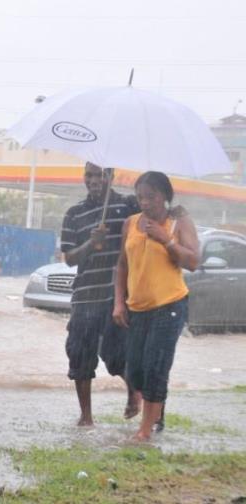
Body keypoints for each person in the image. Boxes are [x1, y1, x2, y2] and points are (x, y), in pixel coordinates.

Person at [113, 171, 200, 442]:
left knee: (156, 367)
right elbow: (122, 265)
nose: (145, 202)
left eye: (151, 196)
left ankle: (145, 430)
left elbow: (193, 261)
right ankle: (154, 409)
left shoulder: (179, 222)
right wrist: (119, 302)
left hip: (170, 305)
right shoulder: (130, 223)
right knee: (136, 370)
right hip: (138, 308)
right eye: (140, 197)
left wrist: (166, 239)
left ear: (165, 196)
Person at [61, 162, 140, 426]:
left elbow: (141, 241)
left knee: (116, 354)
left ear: (111, 175)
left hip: (116, 295)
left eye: (100, 174)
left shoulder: (128, 207)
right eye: (89, 175)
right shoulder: (74, 214)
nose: (93, 180)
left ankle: (134, 392)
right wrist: (90, 244)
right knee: (79, 355)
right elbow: (69, 258)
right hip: (84, 296)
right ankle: (86, 416)